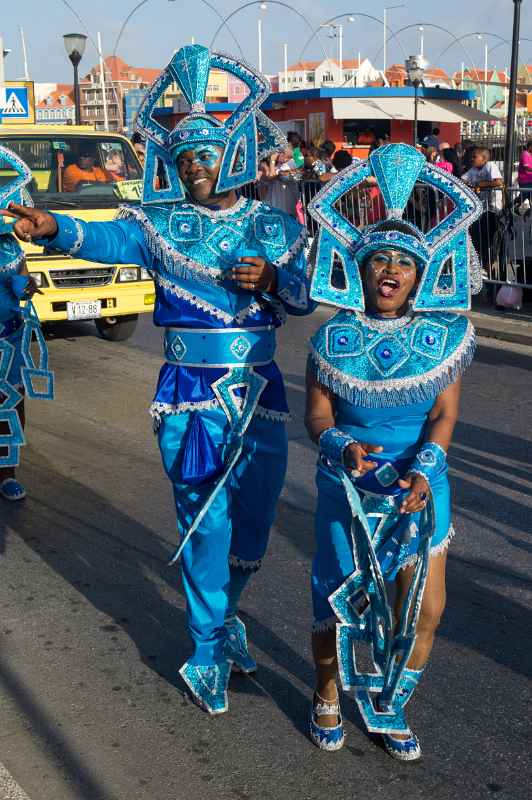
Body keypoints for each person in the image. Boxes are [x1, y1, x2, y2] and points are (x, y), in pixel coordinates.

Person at [1, 45, 315, 715]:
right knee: (205, 524)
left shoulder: (272, 224)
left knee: (253, 529)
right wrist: (53, 225)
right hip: (192, 395)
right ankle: (204, 647)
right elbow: (106, 239)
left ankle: (226, 618)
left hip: (260, 394)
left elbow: (304, 299)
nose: (194, 167)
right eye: (184, 158)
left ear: (232, 154)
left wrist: (275, 278)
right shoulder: (158, 224)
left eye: (205, 155)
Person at [303, 143, 482, 761]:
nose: (389, 268)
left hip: (421, 482)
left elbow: (445, 413)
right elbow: (318, 411)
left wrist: (428, 469)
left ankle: (388, 700)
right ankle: (327, 691)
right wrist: (341, 443)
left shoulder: (447, 336)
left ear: (420, 273)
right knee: (336, 599)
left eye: (402, 261)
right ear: (360, 268)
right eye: (378, 257)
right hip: (347, 484)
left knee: (425, 608)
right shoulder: (332, 335)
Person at [0, 145, 54, 501]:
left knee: (10, 404)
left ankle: (7, 474)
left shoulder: (10, 246)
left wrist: (27, 285)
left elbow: (23, 277)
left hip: (9, 337)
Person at [461, 147, 503, 269]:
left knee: (490, 238)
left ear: (483, 159)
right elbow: (462, 179)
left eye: (475, 157)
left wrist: (479, 184)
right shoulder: (473, 170)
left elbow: (498, 182)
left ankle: (491, 264)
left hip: (493, 208)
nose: (472, 159)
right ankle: (482, 265)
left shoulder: (490, 166)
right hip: (481, 210)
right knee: (478, 237)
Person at [259, 146, 301, 216]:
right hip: (274, 205)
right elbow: (267, 176)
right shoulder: (276, 165)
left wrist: (272, 160)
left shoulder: (292, 164)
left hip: (287, 207)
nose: (280, 156)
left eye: (281, 154)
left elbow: (272, 175)